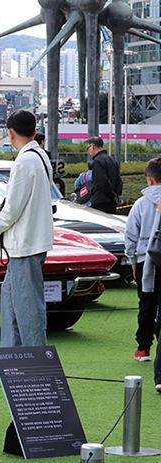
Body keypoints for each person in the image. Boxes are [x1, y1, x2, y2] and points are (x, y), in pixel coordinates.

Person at [0, 110, 54, 348]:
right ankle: (10, 354)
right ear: (34, 131)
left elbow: (12, 209)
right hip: (31, 242)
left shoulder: (24, 161)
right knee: (12, 300)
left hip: (25, 245)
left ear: (10, 133)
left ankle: (34, 359)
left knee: (26, 306)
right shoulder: (40, 156)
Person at [126, 157, 161, 362]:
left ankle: (143, 348)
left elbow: (131, 234)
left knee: (146, 303)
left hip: (144, 259)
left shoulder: (140, 204)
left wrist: (132, 259)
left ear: (149, 180)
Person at [86, 136, 123, 214]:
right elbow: (119, 181)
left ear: (92, 147)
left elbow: (103, 182)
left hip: (100, 201)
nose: (89, 150)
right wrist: (117, 196)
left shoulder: (97, 161)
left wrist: (113, 196)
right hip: (111, 203)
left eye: (88, 147)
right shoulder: (112, 160)